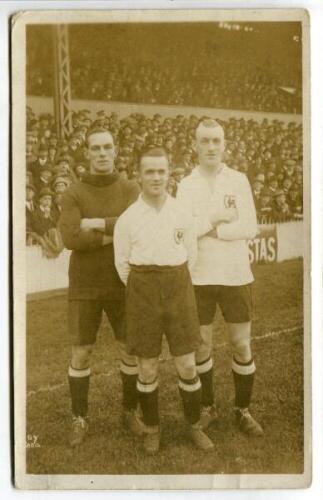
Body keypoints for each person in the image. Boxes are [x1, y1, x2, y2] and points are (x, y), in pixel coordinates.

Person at [114, 147, 214, 454]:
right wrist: (144, 287)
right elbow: (123, 266)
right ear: (139, 175)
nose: (156, 177)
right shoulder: (128, 219)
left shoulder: (181, 212)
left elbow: (191, 255)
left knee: (186, 363)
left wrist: (175, 283)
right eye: (150, 171)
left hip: (178, 286)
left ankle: (194, 425)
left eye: (161, 171)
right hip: (142, 289)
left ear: (169, 174)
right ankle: (153, 428)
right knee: (147, 367)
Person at [177, 118, 264, 437]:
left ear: (224, 144)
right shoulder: (186, 185)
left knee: (241, 344)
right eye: (205, 141)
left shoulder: (239, 180)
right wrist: (214, 222)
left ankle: (243, 410)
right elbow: (185, 230)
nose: (211, 146)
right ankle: (208, 407)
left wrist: (212, 229)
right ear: (195, 145)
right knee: (202, 346)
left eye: (216, 140)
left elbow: (250, 227)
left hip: (236, 275)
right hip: (198, 277)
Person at [59, 127, 141, 447]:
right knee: (81, 352)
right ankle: (80, 416)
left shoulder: (131, 188)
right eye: (96, 148)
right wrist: (115, 230)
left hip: (123, 281)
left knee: (129, 349)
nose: (103, 153)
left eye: (108, 147)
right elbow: (70, 239)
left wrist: (94, 224)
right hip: (84, 284)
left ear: (116, 150)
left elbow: (137, 226)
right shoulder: (73, 193)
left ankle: (129, 410)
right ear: (88, 154)